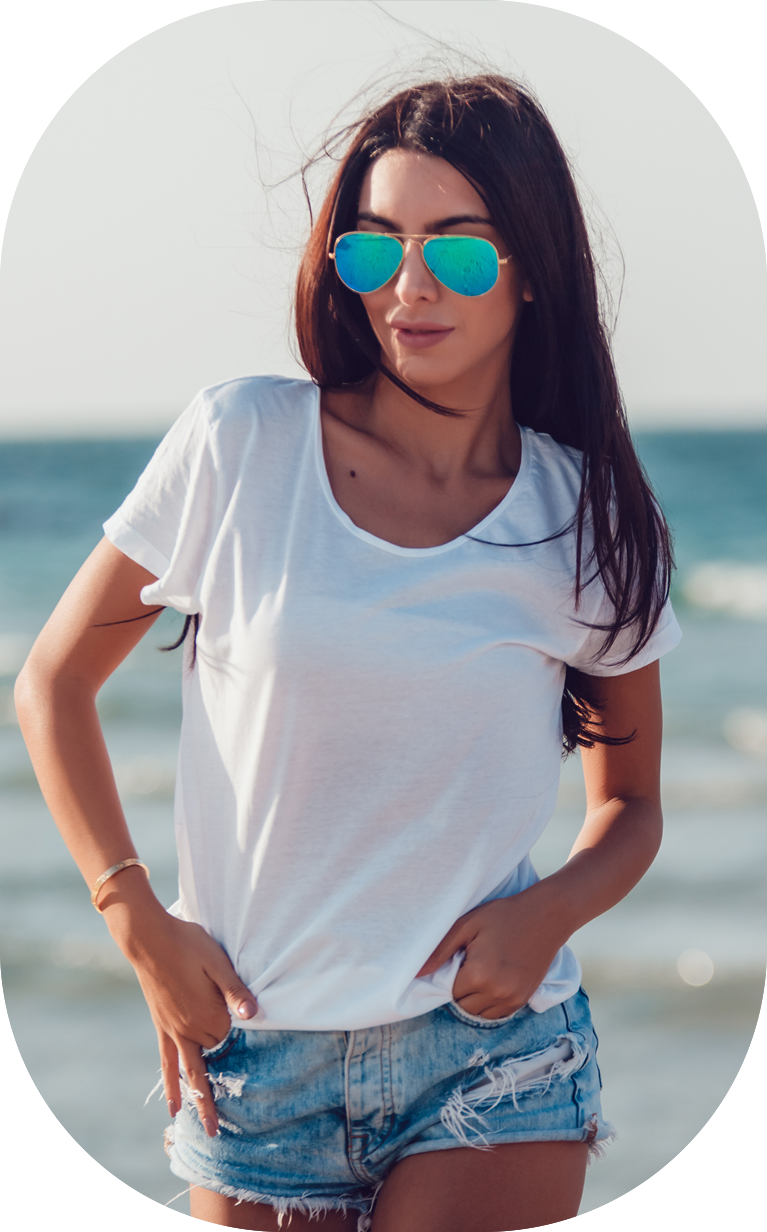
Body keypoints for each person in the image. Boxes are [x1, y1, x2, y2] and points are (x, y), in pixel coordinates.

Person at [15, 73, 680, 1232]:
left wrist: (546, 914)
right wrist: (133, 918)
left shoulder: (582, 520)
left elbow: (628, 802)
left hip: (492, 1061)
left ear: (530, 270)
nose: (410, 288)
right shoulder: (239, 447)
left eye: (458, 253)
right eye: (376, 250)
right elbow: (55, 680)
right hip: (254, 1058)